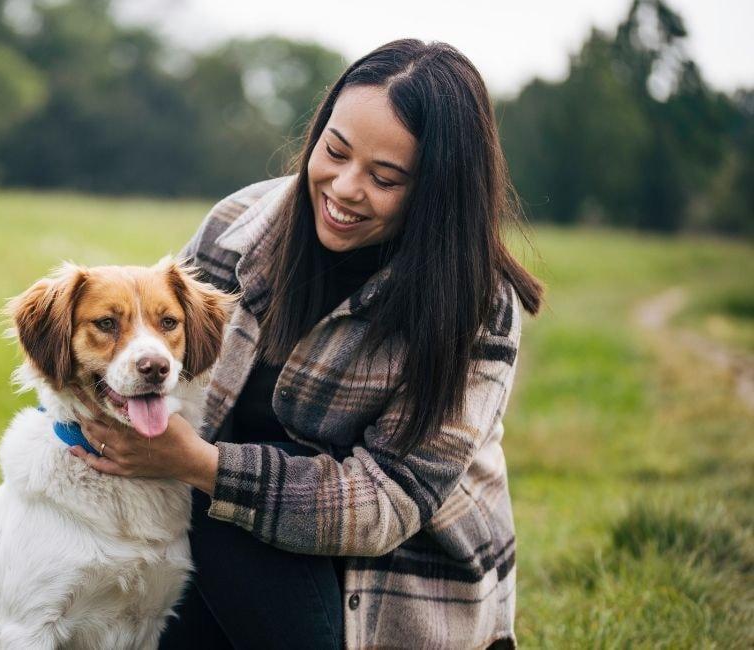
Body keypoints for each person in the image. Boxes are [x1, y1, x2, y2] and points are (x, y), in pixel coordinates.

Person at [73, 39, 544, 649]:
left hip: (392, 585)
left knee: (219, 508)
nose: (346, 188)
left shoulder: (476, 304)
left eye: (385, 177)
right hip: (224, 557)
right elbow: (135, 367)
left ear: (436, 191)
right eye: (335, 151)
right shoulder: (236, 227)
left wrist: (199, 465)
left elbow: (386, 505)